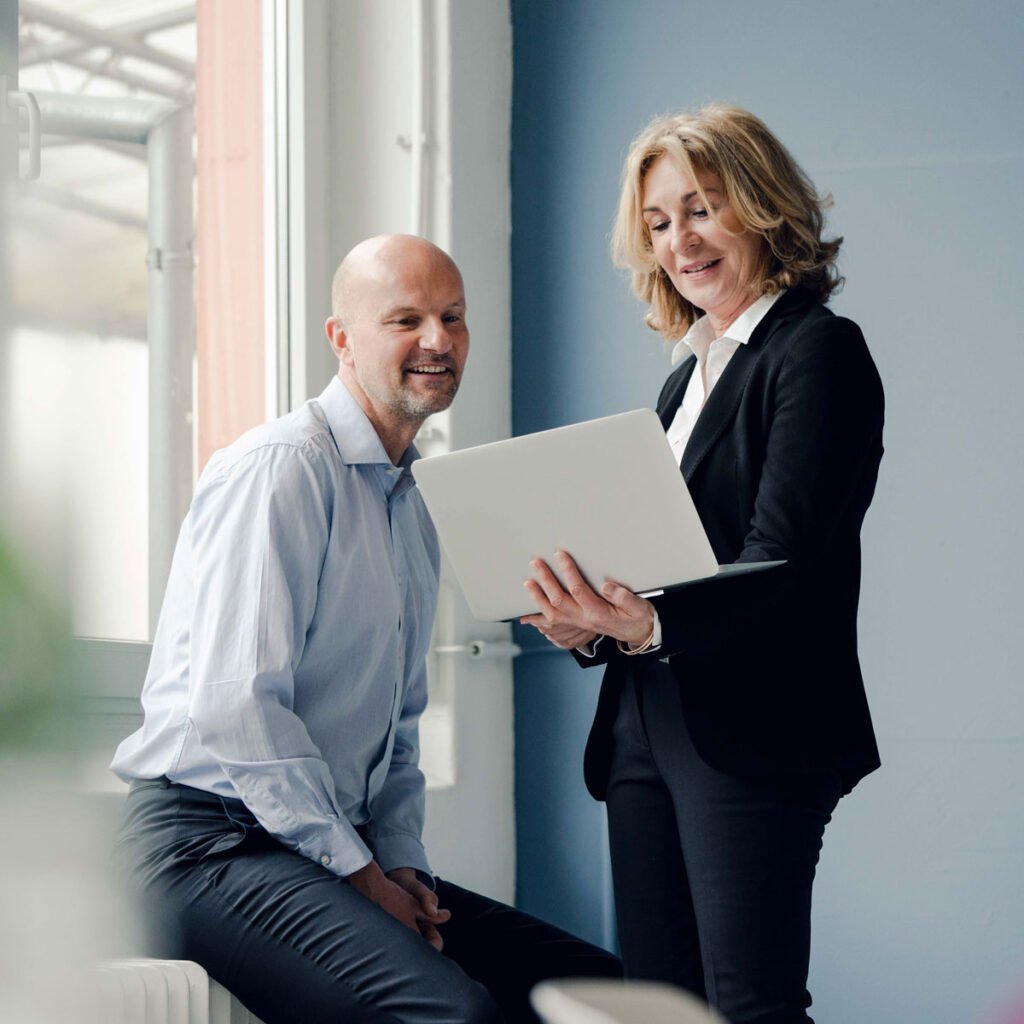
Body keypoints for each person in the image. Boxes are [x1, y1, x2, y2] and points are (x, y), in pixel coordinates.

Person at [112, 234, 620, 1024]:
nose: (437, 340)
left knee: (602, 992)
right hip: (205, 843)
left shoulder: (411, 505)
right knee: (456, 1015)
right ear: (341, 338)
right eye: (406, 319)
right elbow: (234, 711)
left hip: (320, 845)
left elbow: (397, 732)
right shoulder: (282, 468)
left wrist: (403, 868)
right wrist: (358, 874)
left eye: (452, 317)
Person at [521, 106, 884, 1024]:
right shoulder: (686, 378)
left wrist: (646, 622)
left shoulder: (817, 353)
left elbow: (784, 561)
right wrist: (589, 623)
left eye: (701, 208)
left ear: (761, 208)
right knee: (655, 1009)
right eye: (657, 222)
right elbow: (665, 567)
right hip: (646, 722)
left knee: (747, 1007)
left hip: (754, 727)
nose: (679, 241)